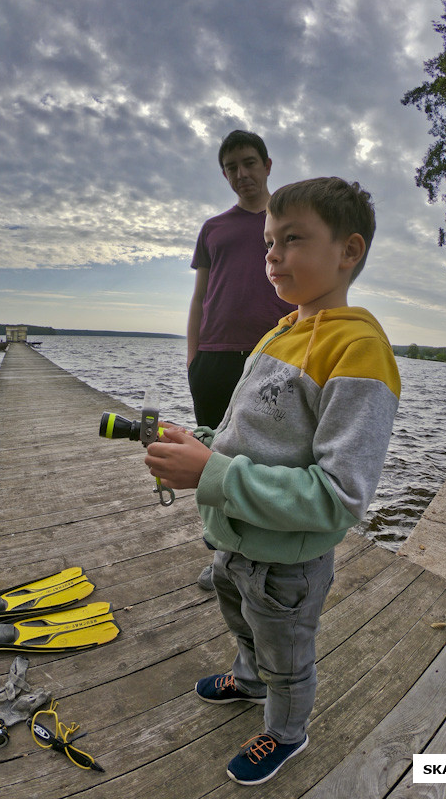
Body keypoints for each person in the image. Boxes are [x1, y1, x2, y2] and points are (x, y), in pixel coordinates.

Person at [145, 176, 400, 786]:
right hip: (235, 545)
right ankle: (248, 677)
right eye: (268, 242)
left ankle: (287, 729)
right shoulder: (278, 333)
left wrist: (213, 474)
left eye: (292, 239)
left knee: (287, 655)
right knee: (242, 624)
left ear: (349, 251)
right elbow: (248, 439)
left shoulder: (360, 350)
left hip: (287, 564)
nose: (272, 255)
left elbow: (339, 496)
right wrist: (201, 446)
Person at [187, 129, 295, 589]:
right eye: (231, 168)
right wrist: (193, 356)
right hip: (213, 358)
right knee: (214, 457)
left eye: (249, 163)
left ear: (268, 165)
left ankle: (268, 556)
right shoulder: (214, 228)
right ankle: (223, 559)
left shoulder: (290, 218)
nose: (241, 174)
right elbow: (200, 297)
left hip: (273, 359)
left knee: (271, 459)